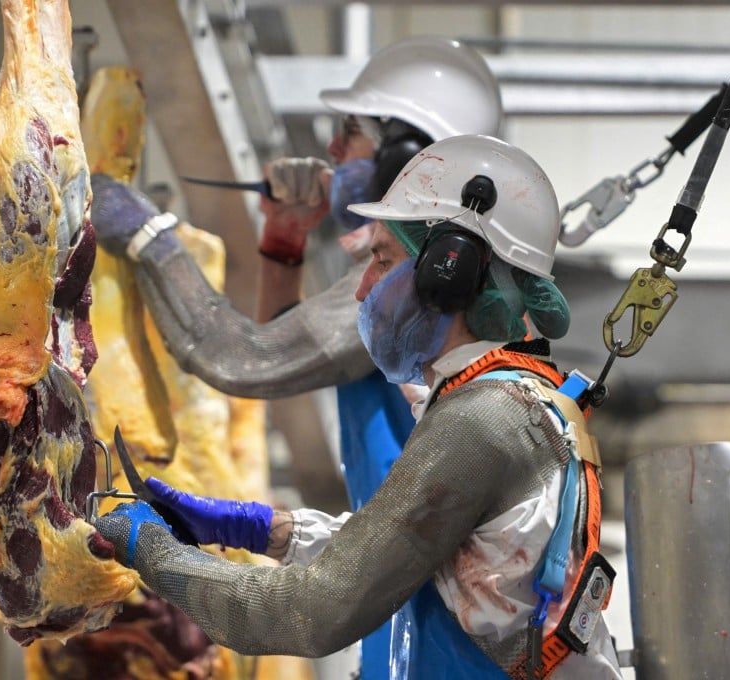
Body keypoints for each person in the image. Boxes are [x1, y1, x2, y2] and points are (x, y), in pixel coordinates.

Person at [92, 135, 623, 679]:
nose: (361, 289)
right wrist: (253, 528)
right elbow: (410, 552)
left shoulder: (483, 419)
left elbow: (311, 613)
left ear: (447, 272)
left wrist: (150, 552)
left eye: (380, 259)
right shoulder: (506, 400)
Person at [92, 37, 503, 678]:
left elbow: (245, 358)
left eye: (351, 132)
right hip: (406, 622)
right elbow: (292, 351)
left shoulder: (420, 292)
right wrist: (284, 240)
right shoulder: (413, 291)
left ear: (405, 154)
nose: (333, 150)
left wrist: (150, 238)